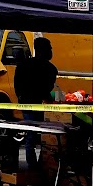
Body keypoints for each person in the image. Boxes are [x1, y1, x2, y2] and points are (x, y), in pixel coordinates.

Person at [14, 37, 58, 170]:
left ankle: (34, 165)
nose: (51, 51)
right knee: (41, 136)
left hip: (29, 105)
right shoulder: (50, 69)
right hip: (36, 106)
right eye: (49, 48)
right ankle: (35, 166)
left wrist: (21, 97)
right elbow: (46, 88)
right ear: (42, 50)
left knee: (32, 136)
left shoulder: (24, 65)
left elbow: (17, 86)